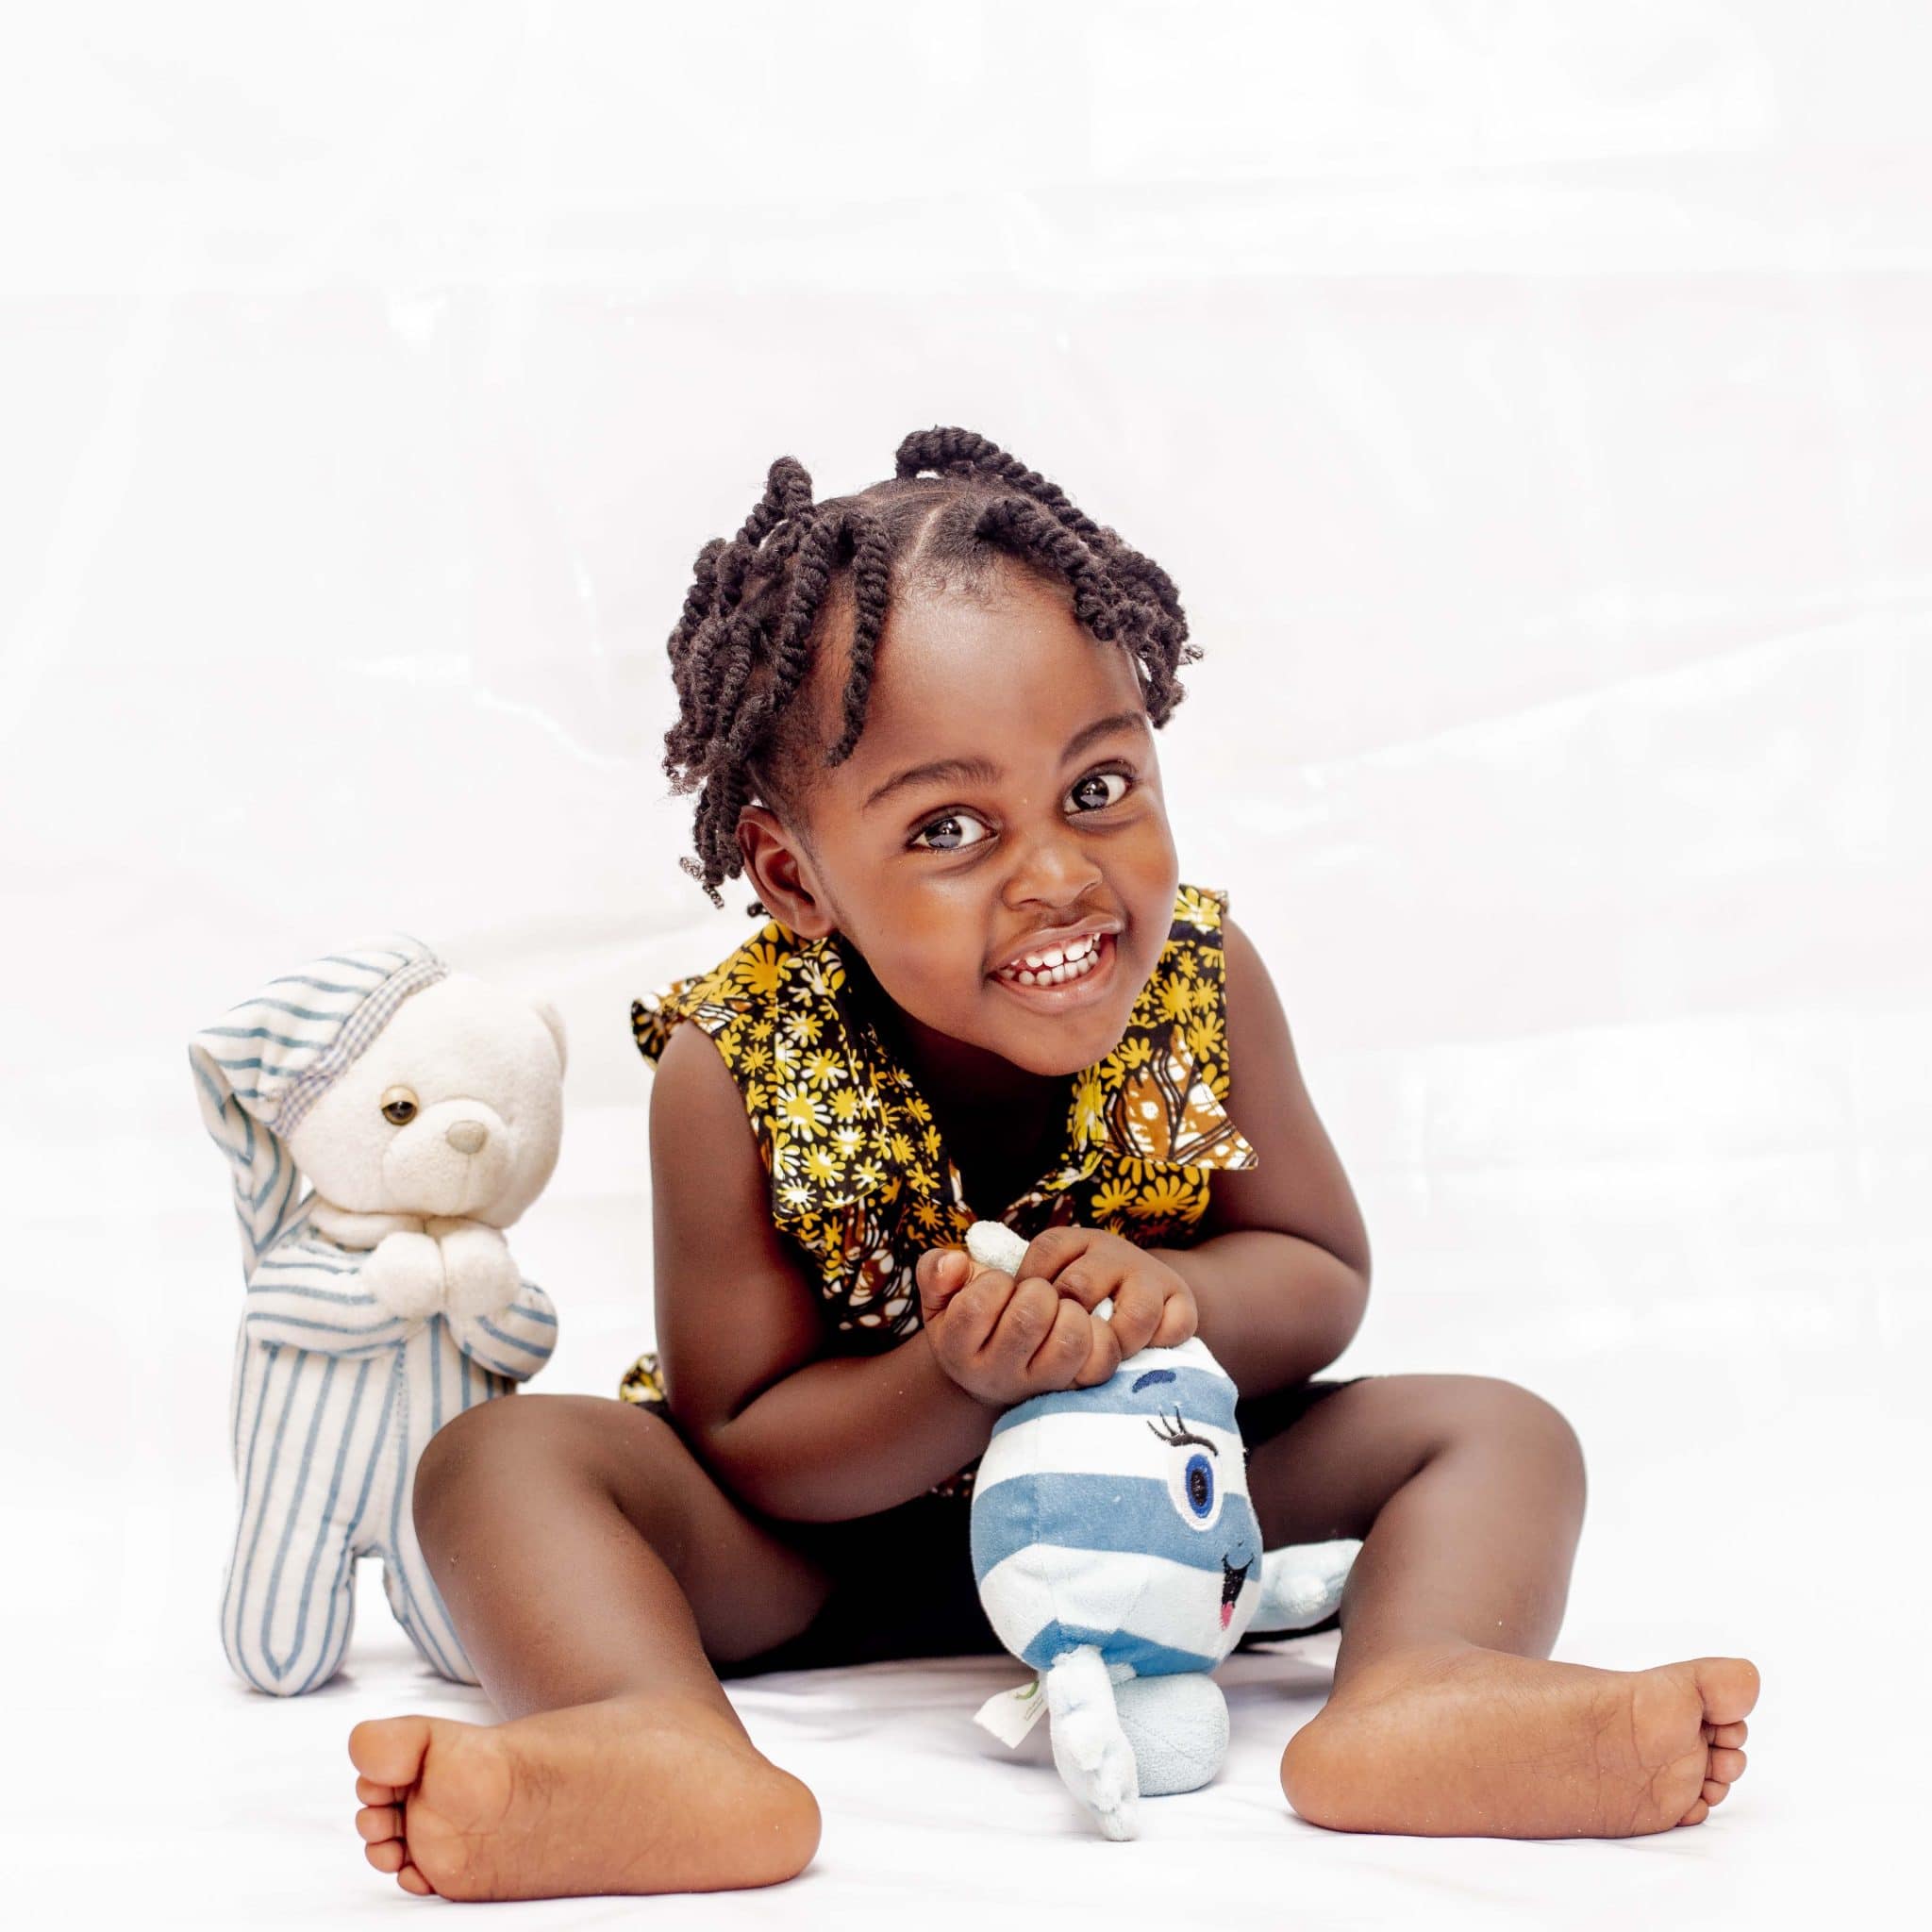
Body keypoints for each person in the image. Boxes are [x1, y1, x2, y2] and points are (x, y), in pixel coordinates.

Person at [346, 428, 1757, 1902]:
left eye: (1098, 788)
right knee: (502, 1462)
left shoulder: (1203, 979)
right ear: (791, 875)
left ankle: (1425, 1693)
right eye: (950, 829)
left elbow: (1321, 1276)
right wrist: (956, 1380)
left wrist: (1174, 1295)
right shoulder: (734, 1066)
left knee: (1497, 1430)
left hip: (1169, 1511)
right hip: (827, 1561)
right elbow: (743, 1430)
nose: (1059, 879)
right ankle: (649, 1737)